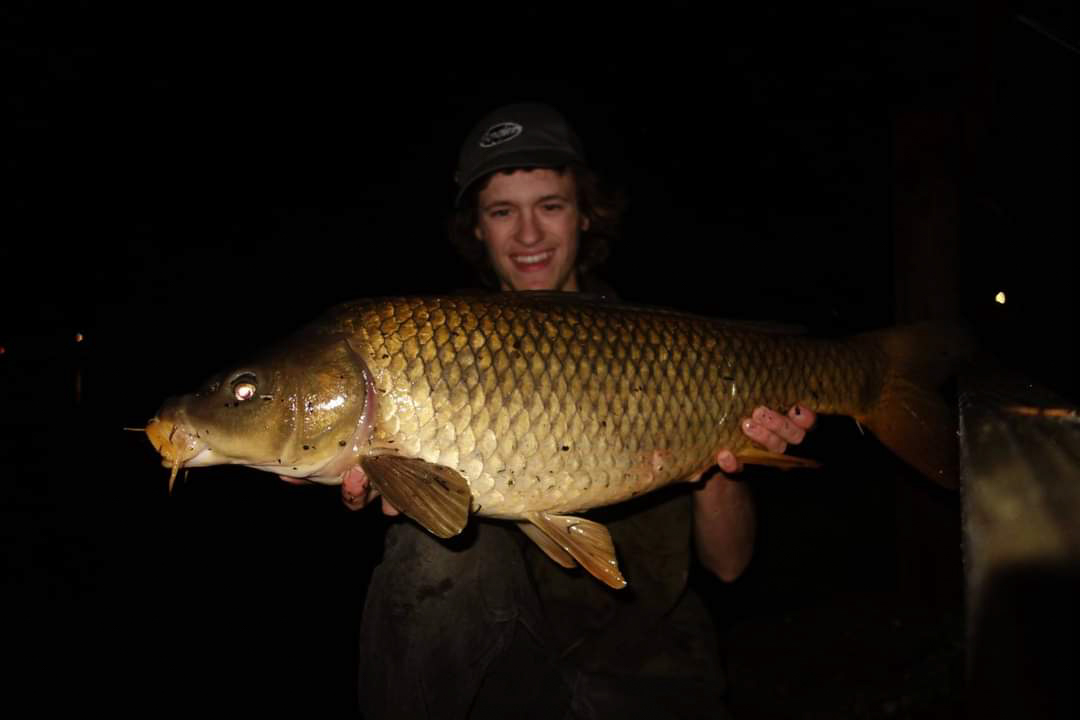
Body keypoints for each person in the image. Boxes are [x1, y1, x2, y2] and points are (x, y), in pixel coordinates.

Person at [342, 103, 816, 719]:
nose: (529, 235)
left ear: (587, 215)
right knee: (424, 553)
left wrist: (720, 459)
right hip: (509, 669)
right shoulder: (430, 351)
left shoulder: (665, 350)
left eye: (551, 205)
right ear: (477, 230)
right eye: (503, 212)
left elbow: (729, 566)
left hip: (652, 665)